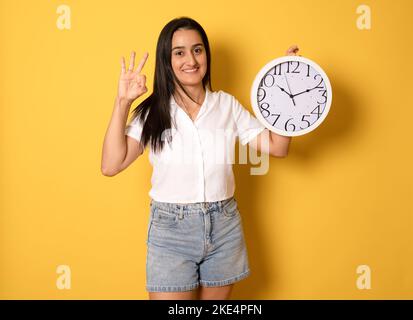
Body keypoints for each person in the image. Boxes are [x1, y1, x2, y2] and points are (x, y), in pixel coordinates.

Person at [101, 16, 296, 300]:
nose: (190, 59)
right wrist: (122, 102)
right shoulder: (153, 110)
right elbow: (110, 165)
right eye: (178, 52)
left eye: (197, 49)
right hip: (170, 230)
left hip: (223, 225)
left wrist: (286, 89)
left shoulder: (227, 105)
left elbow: (277, 146)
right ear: (167, 61)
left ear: (206, 54)